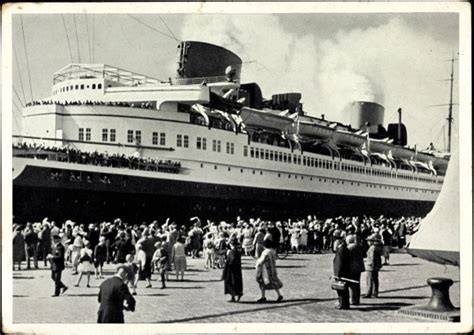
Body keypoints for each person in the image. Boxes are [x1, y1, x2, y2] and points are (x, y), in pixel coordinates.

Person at [346, 235, 365, 306]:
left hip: (352, 267)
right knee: (357, 284)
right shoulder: (359, 246)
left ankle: (353, 299)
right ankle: (357, 299)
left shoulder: (349, 247)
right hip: (359, 267)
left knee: (352, 284)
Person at [222, 238, 243, 302]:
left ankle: (233, 296)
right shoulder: (237, 250)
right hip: (237, 269)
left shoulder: (232, 251)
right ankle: (236, 295)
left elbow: (232, 259)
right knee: (237, 282)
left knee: (231, 282)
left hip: (231, 270)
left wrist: (229, 264)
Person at [363, 234, 383, 298]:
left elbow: (372, 258)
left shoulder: (372, 248)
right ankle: (375, 292)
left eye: (369, 241)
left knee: (369, 280)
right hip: (374, 266)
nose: (367, 242)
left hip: (370, 266)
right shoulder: (376, 247)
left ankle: (369, 292)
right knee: (375, 280)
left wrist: (373, 265)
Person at [332, 238, 350, 309]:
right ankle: (345, 303)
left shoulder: (340, 250)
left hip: (341, 273)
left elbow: (339, 263)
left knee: (340, 289)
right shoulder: (345, 249)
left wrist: (337, 274)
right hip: (346, 272)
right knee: (344, 289)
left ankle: (342, 304)